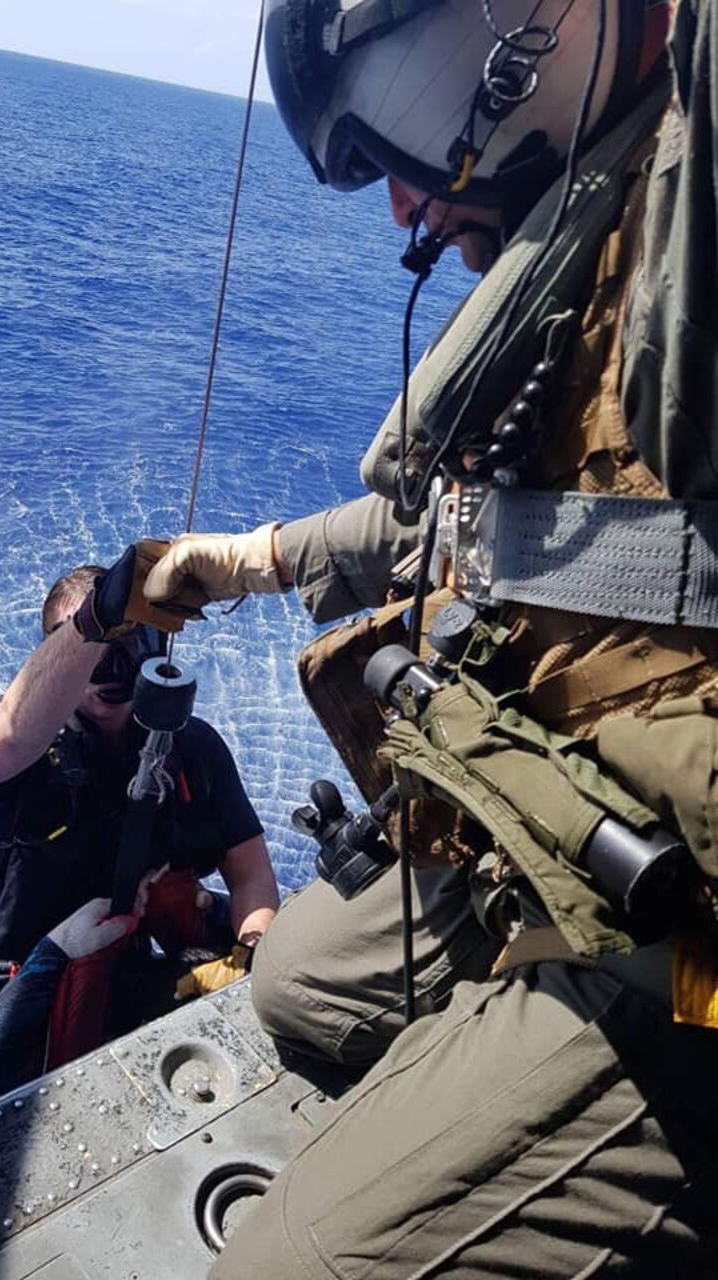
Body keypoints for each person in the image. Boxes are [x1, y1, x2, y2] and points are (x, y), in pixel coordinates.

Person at [137, 1, 718, 1274]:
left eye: (391, 142)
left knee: (287, 1260)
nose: (402, 207)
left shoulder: (697, 159)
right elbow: (536, 529)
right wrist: (253, 559)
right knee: (297, 979)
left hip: (688, 929)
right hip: (567, 803)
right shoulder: (604, 195)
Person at [0, 559, 278, 1031]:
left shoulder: (189, 747)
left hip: (137, 955)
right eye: (97, 650)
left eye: (130, 643)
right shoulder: (20, 757)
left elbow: (250, 873)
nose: (113, 667)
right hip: (45, 981)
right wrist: (94, 623)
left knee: (281, 950)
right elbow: (12, 733)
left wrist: (252, 955)